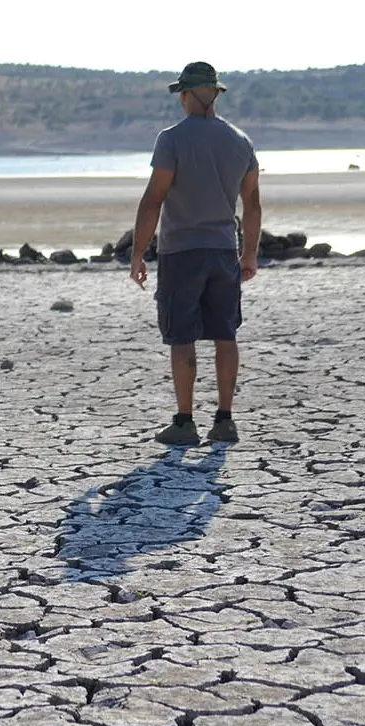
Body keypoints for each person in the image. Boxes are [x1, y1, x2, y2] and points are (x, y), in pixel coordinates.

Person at [129, 61, 261, 446]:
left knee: (181, 335)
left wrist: (138, 253)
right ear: (216, 94)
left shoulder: (171, 139)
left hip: (181, 251)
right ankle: (225, 419)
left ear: (186, 95)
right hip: (223, 250)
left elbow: (154, 199)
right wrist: (249, 254)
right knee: (225, 334)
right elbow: (252, 204)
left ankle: (185, 422)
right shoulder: (240, 141)